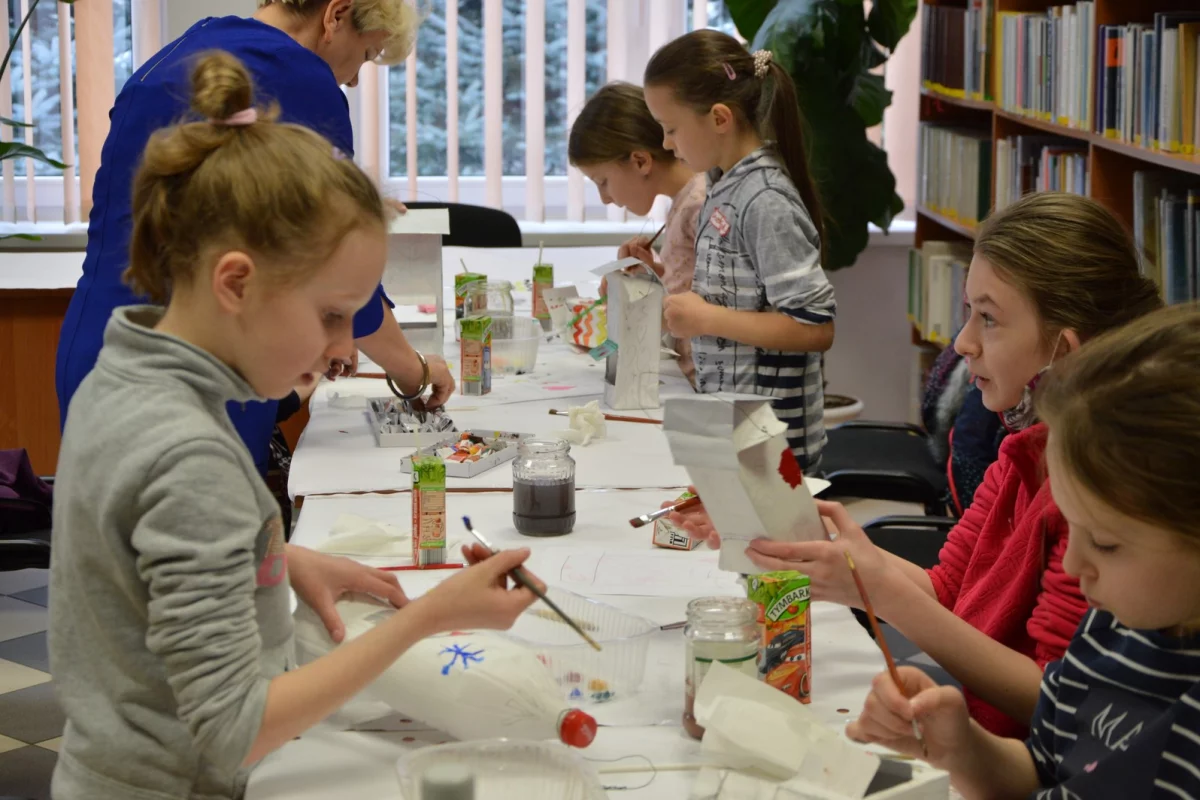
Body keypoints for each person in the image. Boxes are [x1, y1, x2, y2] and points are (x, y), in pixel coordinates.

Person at [48, 53, 539, 800]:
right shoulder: (187, 453)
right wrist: (428, 618)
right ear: (236, 282)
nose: (344, 350)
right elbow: (236, 728)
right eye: (331, 316)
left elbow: (132, 561)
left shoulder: (125, 367)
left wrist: (270, 561)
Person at [667, 193, 1164, 737]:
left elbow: (1050, 697)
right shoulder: (1023, 449)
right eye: (968, 313)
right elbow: (950, 587)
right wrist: (800, 538)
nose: (963, 342)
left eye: (989, 319)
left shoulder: (1095, 494)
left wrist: (878, 587)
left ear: (1063, 352)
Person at [55, 0, 453, 478]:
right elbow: (334, 265)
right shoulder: (298, 75)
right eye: (367, 55)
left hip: (103, 349)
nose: (352, 79)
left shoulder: (185, 51)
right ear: (336, 14)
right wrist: (416, 373)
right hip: (205, 364)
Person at [848, 303, 1200, 800]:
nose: (1074, 566)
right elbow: (1041, 769)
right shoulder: (1107, 632)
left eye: (1105, 542)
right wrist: (962, 749)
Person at [642, 31, 836, 469]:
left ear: (719, 118)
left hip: (771, 442)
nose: (667, 144)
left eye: (671, 129)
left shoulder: (764, 199)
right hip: (733, 425)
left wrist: (707, 319)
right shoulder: (722, 185)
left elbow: (815, 327)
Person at [568, 81, 707, 381]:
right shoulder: (685, 201)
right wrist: (648, 276)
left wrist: (629, 302)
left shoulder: (699, 206)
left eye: (602, 181)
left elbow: (711, 311)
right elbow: (692, 288)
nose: (604, 198)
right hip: (687, 378)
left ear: (641, 161)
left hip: (702, 388)